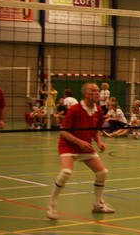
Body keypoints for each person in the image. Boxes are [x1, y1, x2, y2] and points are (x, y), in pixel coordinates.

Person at [46, 82, 114, 219]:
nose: (97, 93)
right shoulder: (75, 109)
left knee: (102, 173)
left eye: (98, 90)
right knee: (66, 172)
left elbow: (95, 130)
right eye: (93, 90)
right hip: (69, 145)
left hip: (85, 146)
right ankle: (51, 205)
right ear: (85, 94)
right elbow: (63, 132)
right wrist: (80, 142)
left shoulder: (99, 110)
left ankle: (98, 204)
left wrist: (99, 142)